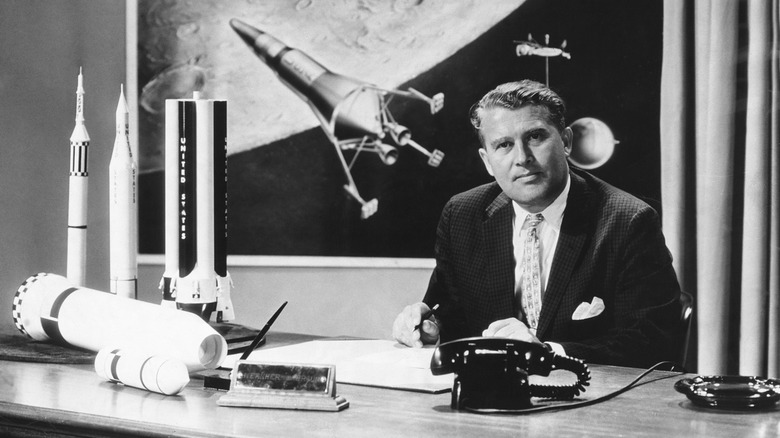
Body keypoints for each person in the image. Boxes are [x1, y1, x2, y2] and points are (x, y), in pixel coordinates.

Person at [392, 79, 682, 368]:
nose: (522, 158)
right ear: (487, 161)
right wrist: (431, 329)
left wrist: (546, 352)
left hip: (590, 402)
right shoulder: (462, 215)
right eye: (504, 145)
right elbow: (450, 313)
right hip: (490, 400)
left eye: (535, 137)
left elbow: (654, 341)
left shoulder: (628, 221)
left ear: (566, 142)